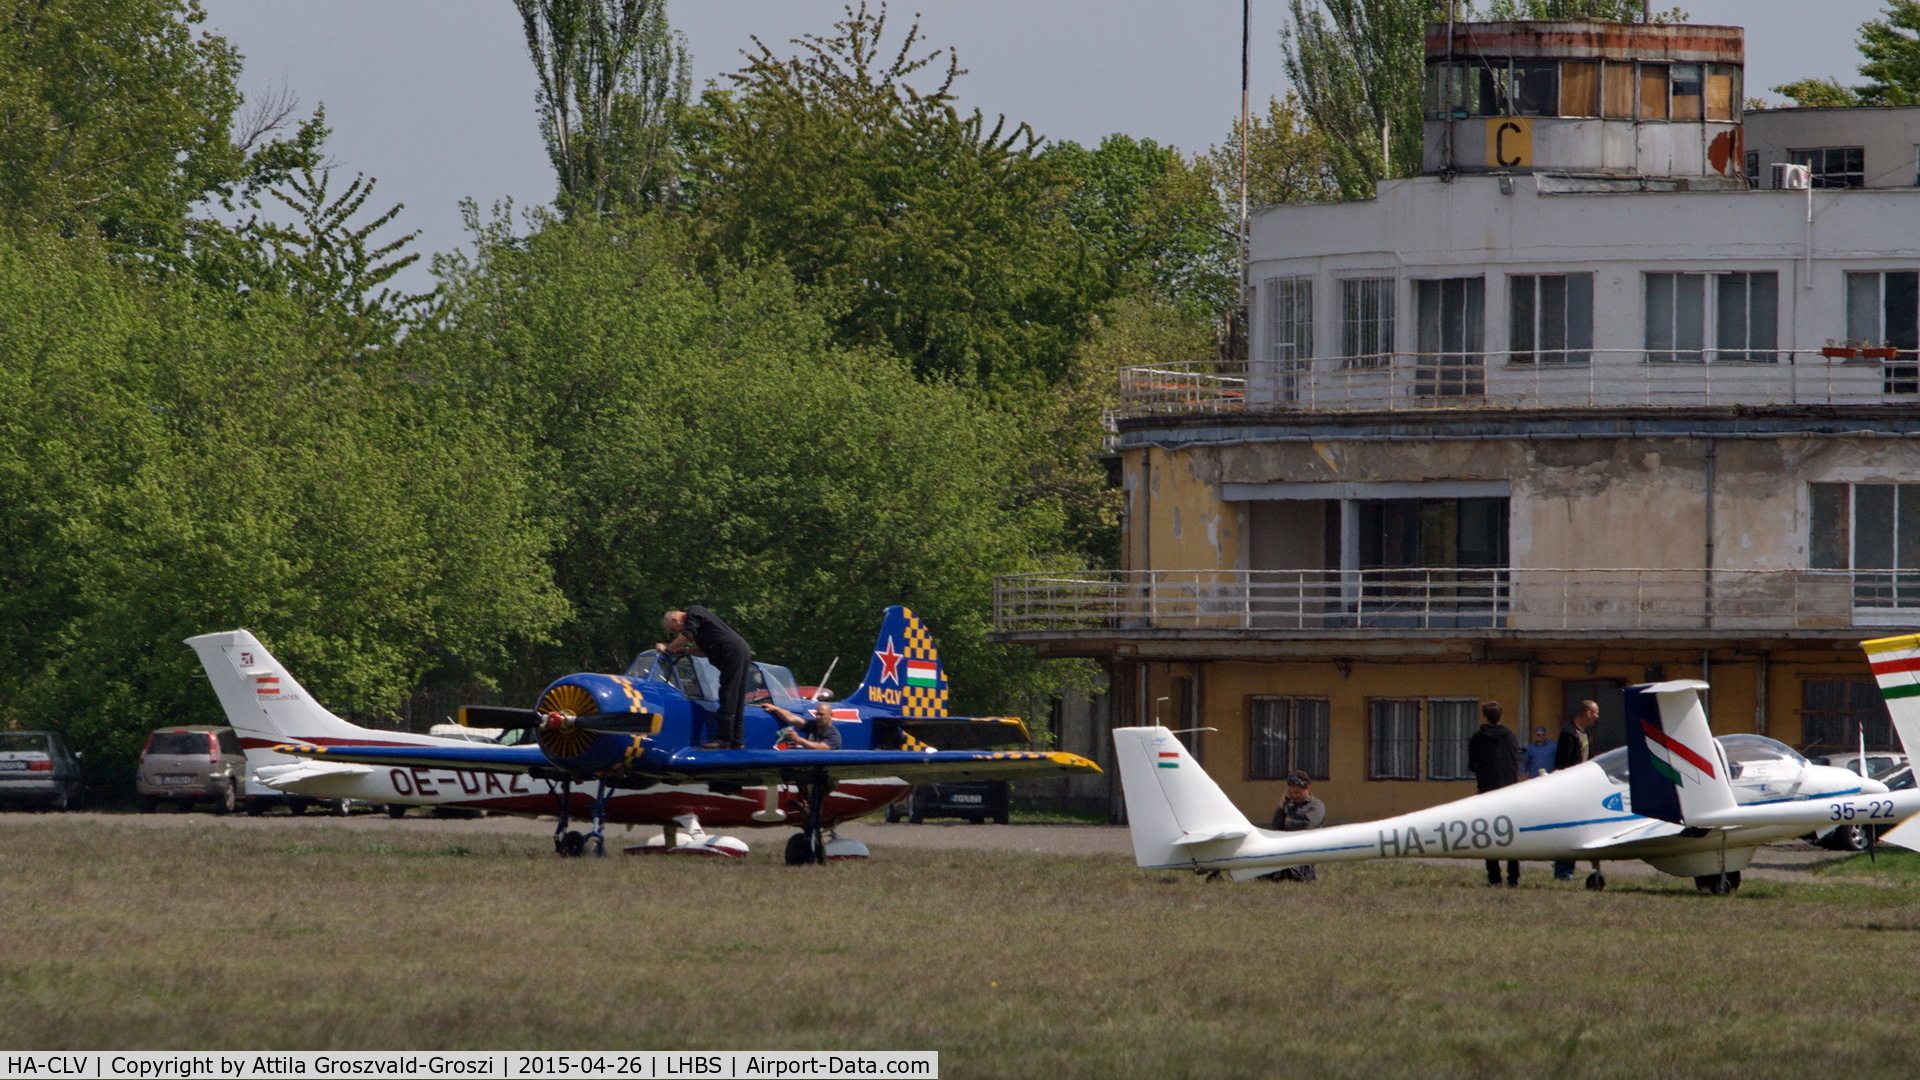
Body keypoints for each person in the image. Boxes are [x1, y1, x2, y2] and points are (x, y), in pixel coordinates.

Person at [658, 606, 752, 750]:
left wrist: (667, 650)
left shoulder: (694, 613)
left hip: (733, 651)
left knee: (728, 693)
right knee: (736, 696)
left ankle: (723, 739)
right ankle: (737, 740)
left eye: (673, 629)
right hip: (737, 650)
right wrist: (685, 650)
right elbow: (703, 652)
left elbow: (686, 636)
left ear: (676, 620)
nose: (675, 633)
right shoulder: (700, 628)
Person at [1465, 700, 1523, 887]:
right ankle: (1513, 877)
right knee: (1511, 835)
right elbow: (1515, 764)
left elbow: (1472, 766)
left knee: (1488, 834)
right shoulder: (1511, 737)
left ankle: (1494, 877)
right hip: (1509, 792)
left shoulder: (1477, 738)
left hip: (1487, 792)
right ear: (1500, 717)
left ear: (1484, 717)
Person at [1552, 699, 1600, 880]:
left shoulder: (1584, 733)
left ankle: (1567, 868)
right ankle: (1562, 870)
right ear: (1587, 713)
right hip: (1569, 789)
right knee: (1568, 830)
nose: (1597, 717)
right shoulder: (1568, 734)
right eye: (1595, 712)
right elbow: (1562, 764)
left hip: (1583, 788)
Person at [1266, 771, 1325, 882]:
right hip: (1287, 847)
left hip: (1306, 849)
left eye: (1297, 792)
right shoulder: (1289, 805)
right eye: (1291, 792)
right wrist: (1281, 804)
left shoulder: (1316, 806)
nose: (1294, 796)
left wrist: (1287, 821)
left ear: (1307, 788)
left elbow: (1308, 825)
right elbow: (1276, 826)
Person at [767, 701, 842, 750]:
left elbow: (821, 748)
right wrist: (775, 709)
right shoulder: (812, 725)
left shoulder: (833, 735)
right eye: (817, 714)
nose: (818, 717)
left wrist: (798, 739)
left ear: (830, 715)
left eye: (821, 714)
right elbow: (791, 718)